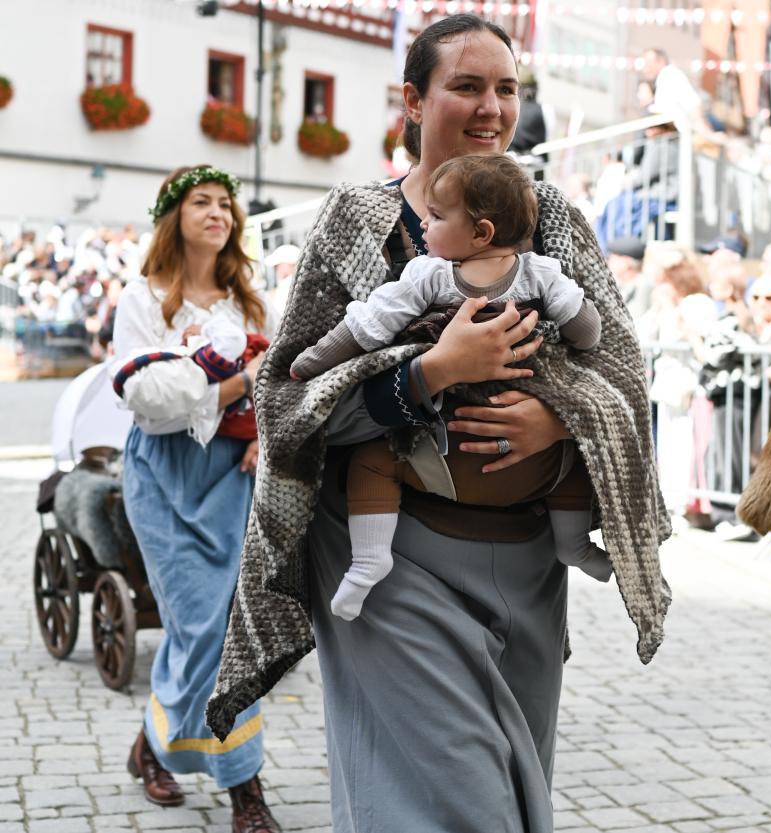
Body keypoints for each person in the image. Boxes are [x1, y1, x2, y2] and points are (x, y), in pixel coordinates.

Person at [205, 15, 670, 833]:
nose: (492, 108)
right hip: (392, 564)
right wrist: (431, 373)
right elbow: (288, 399)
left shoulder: (551, 220)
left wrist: (559, 420)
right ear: (414, 101)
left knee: (520, 794)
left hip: (529, 562)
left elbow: (623, 373)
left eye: (506, 88)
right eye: (467, 86)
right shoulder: (358, 223)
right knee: (458, 809)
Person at [288, 152, 609, 620]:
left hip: (445, 453)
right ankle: (574, 544)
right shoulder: (541, 272)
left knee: (374, 463)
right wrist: (566, 381)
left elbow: (368, 326)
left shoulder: (431, 274)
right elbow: (589, 332)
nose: (423, 223)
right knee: (578, 461)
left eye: (436, 217)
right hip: (541, 466)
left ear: (480, 233)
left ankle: (369, 560)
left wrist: (312, 360)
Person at [111, 165, 279, 832]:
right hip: (163, 474)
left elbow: (279, 382)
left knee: (224, 629)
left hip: (231, 475)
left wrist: (262, 430)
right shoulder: (143, 300)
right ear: (173, 216)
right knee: (200, 627)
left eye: (225, 204)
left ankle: (152, 746)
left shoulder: (248, 302)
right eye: (202, 202)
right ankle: (247, 789)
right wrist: (238, 385)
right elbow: (147, 403)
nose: (218, 212)